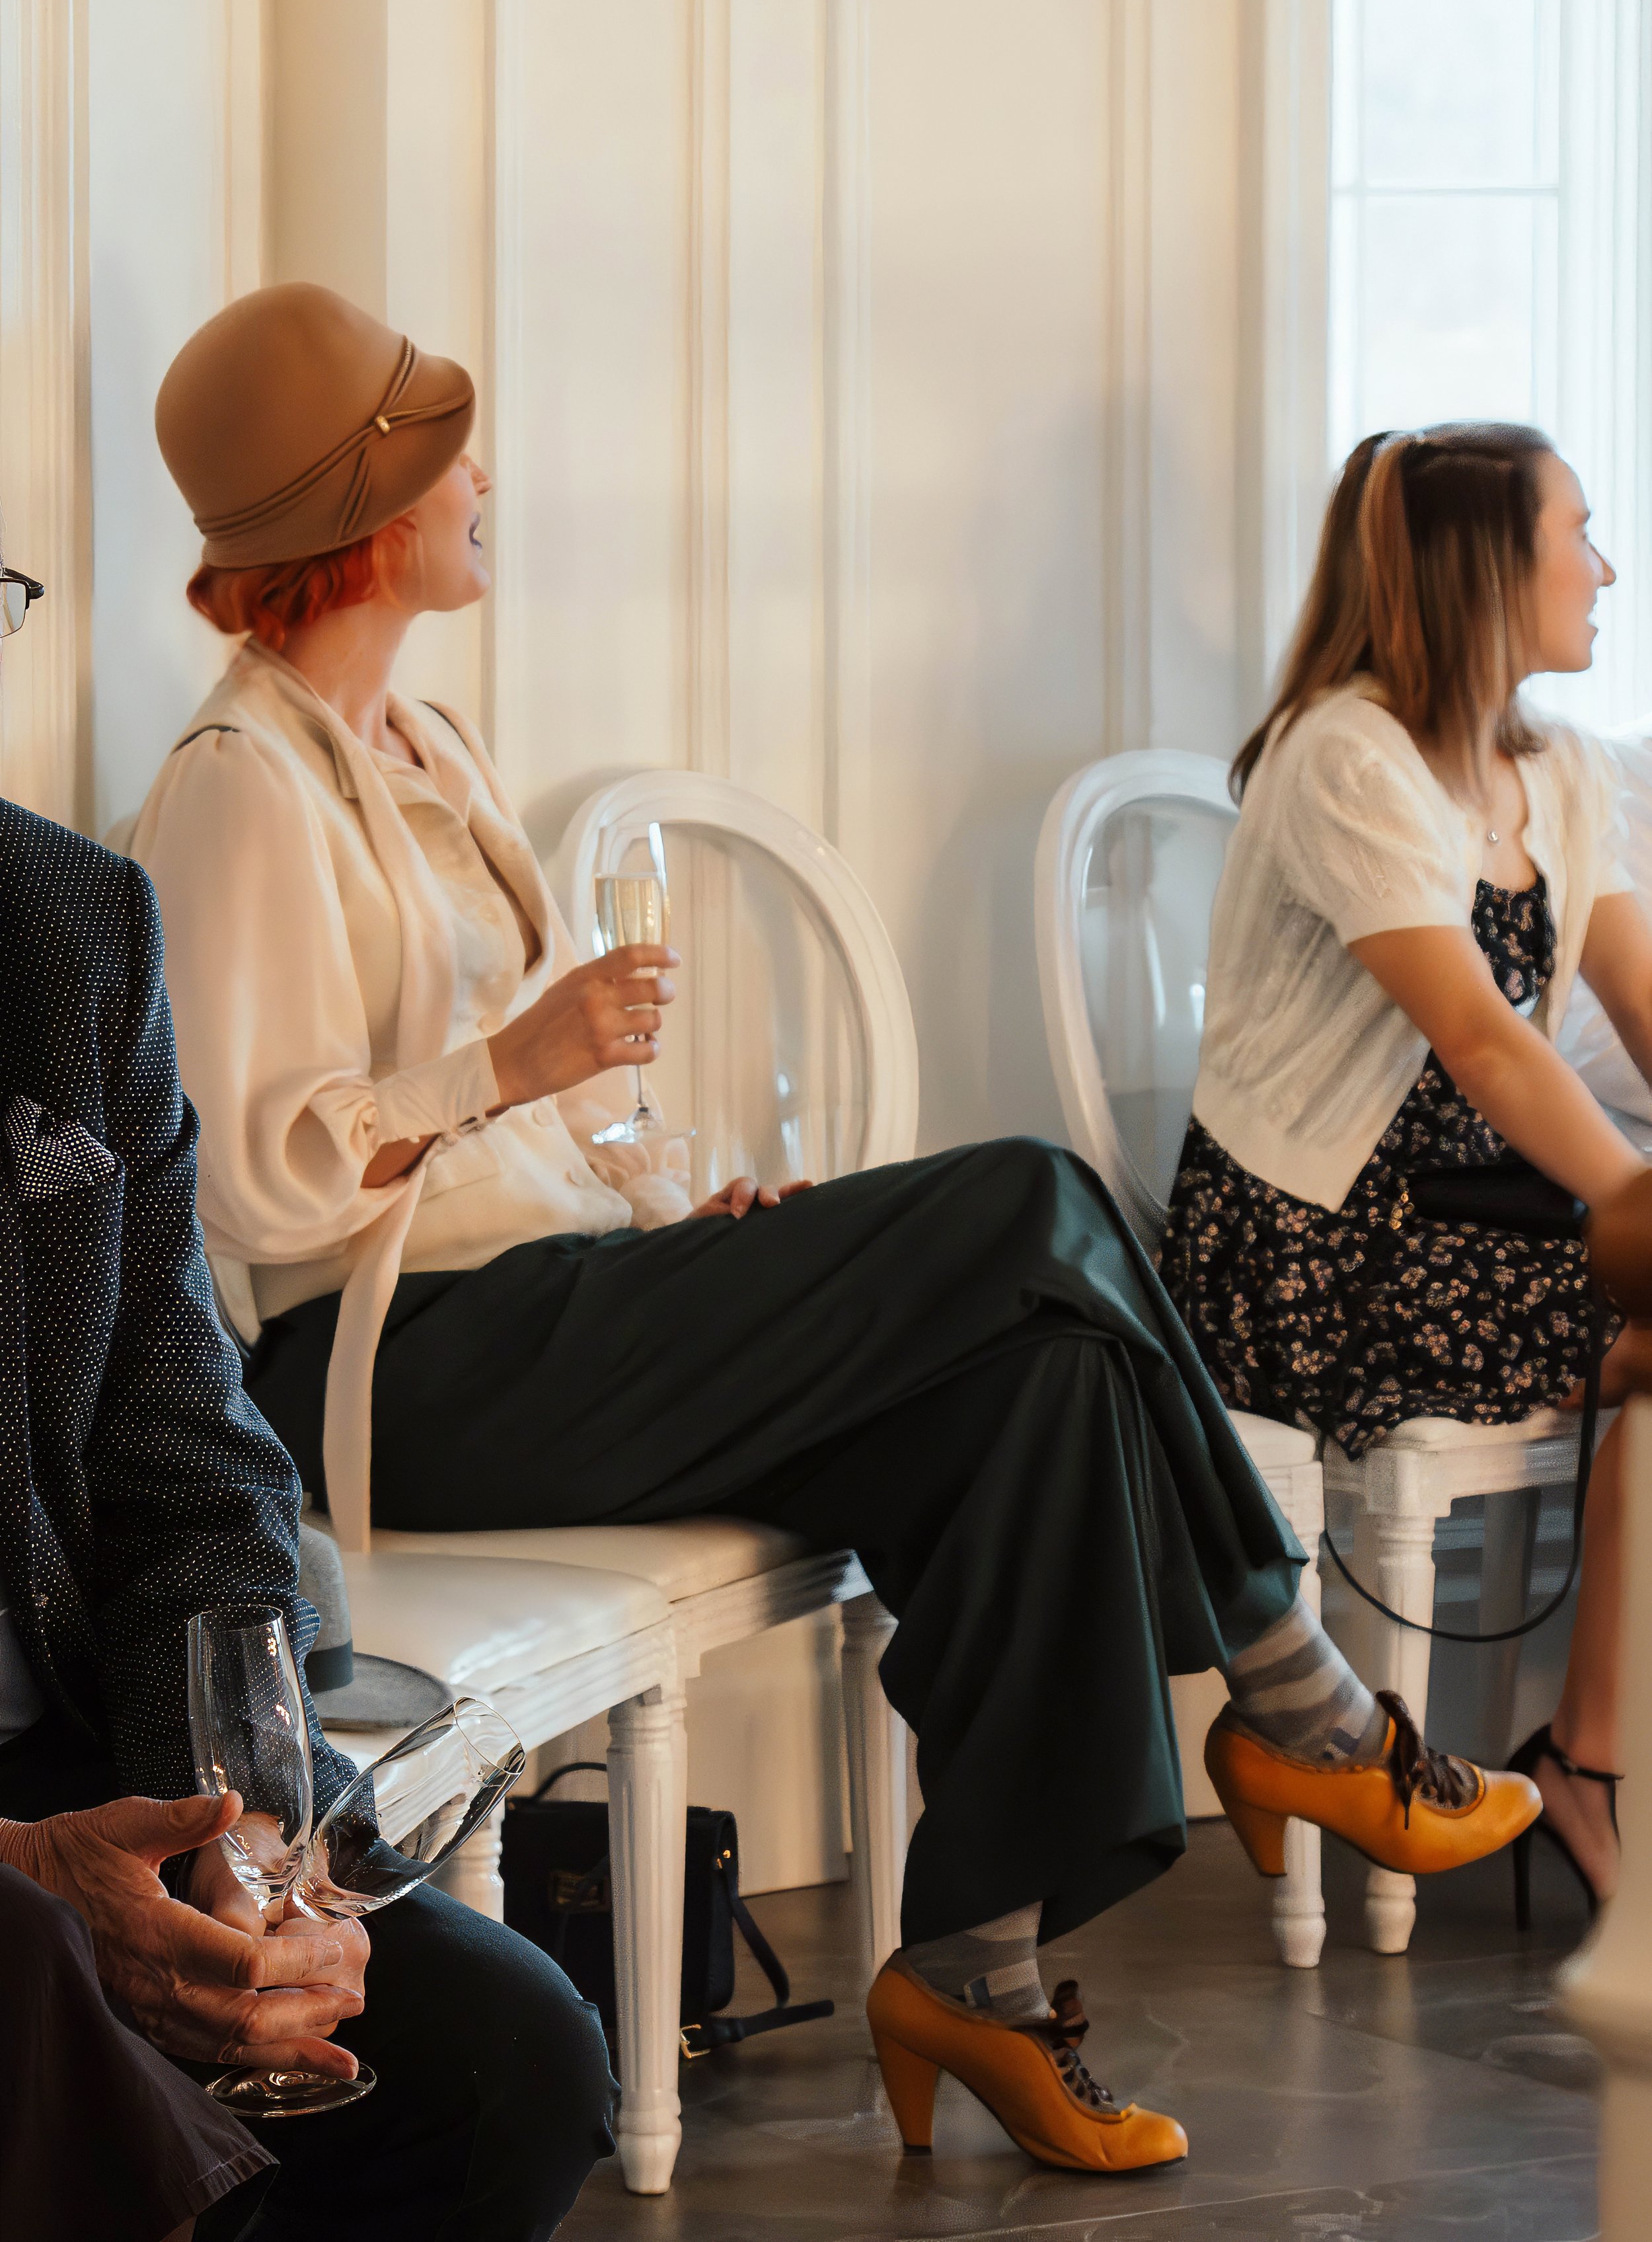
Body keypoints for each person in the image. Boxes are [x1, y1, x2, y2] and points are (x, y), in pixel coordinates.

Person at [133, 285, 1538, 2178]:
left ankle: (975, 1959)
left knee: (1040, 1381)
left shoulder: (425, 747)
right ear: (366, 510)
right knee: (1034, 1196)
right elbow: (254, 1181)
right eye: (445, 449)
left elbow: (553, 1125)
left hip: (549, 1303)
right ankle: (1295, 1693)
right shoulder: (239, 789)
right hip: (403, 1366)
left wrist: (678, 1210)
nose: (486, 478)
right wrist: (504, 1061)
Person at [0, 555, 617, 2237]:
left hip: (79, 1740)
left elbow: (190, 1452)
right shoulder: (237, 778)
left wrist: (238, 1836)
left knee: (511, 2067)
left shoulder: (61, 928)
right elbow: (310, 1175)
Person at [1160, 422, 1651, 1915]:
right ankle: (1593, 1768)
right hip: (1304, 1249)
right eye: (1576, 534)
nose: (1603, 569)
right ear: (1487, 569)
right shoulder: (1343, 757)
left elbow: (1633, 992)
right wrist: (1631, 1207)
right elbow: (1483, 1046)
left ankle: (1592, 1756)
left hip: (1474, 1225)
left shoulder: (1550, 768)